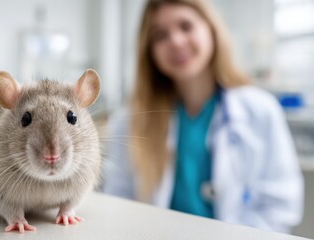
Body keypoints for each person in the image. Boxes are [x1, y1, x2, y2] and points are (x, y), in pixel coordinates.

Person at [102, 0, 304, 233]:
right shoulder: (130, 120)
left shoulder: (259, 110)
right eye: (160, 35)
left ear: (211, 30)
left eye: (186, 26)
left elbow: (280, 207)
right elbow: (119, 201)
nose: (176, 41)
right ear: (149, 51)